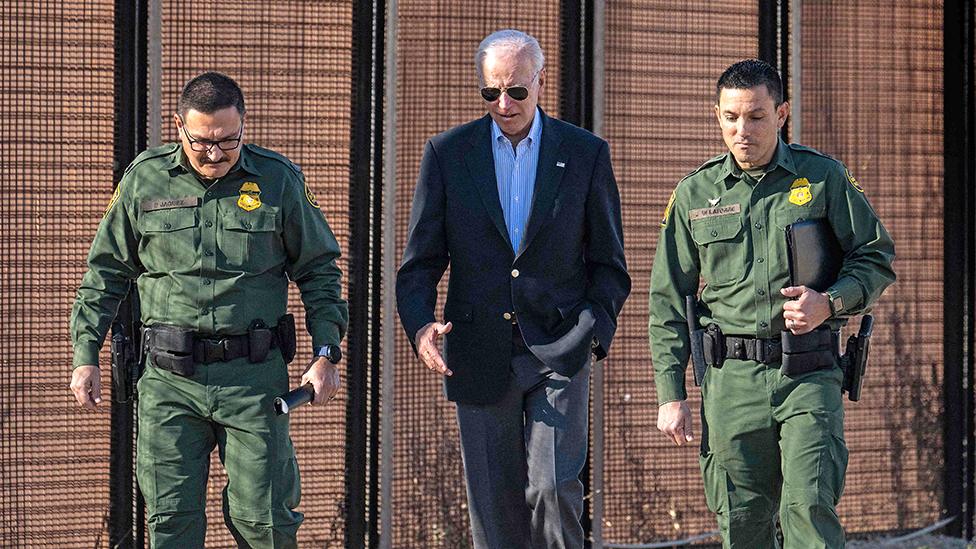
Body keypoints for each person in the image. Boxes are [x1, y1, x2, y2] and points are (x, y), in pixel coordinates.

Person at [68, 71, 348, 548]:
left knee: (267, 524)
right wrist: (85, 353)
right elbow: (106, 273)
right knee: (171, 523)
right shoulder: (145, 180)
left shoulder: (278, 181)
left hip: (253, 382)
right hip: (169, 385)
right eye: (201, 143)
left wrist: (327, 352)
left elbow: (319, 271)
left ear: (243, 126)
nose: (215, 154)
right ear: (180, 127)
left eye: (227, 141)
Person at [395, 29, 630, 549]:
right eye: (491, 92)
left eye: (517, 91)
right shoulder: (448, 154)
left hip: (559, 352)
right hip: (477, 353)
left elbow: (611, 266)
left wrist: (590, 334)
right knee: (494, 515)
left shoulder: (585, 154)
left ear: (540, 82)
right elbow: (418, 265)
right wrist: (421, 327)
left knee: (552, 491)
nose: (504, 103)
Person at [649, 58, 895, 548]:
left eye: (756, 117)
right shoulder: (695, 193)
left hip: (807, 372)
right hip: (730, 383)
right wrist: (670, 392)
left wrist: (829, 302)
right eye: (730, 117)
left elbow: (875, 257)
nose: (743, 130)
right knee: (742, 522)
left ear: (782, 114)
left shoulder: (822, 178)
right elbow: (669, 299)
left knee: (809, 509)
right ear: (717, 115)